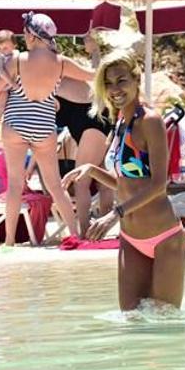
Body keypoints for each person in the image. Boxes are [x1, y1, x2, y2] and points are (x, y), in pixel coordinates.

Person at [62, 52, 185, 310]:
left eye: (121, 80)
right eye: (108, 83)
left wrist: (114, 214)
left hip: (165, 238)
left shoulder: (150, 121)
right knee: (131, 319)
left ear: (136, 79)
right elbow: (124, 182)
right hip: (131, 239)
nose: (114, 89)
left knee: (164, 322)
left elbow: (158, 184)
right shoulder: (120, 121)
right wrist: (91, 170)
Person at [0, 12, 94, 246]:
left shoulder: (17, 60)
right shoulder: (62, 62)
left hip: (15, 125)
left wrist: (10, 87)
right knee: (55, 186)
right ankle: (75, 235)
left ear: (32, 35)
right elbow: (93, 75)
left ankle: (9, 242)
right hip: (44, 126)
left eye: (25, 33)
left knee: (15, 185)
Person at [55, 31, 114, 232]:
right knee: (103, 181)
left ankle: (84, 232)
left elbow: (97, 75)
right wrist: (94, 51)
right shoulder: (63, 77)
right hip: (99, 123)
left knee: (81, 181)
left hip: (92, 125)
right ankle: (101, 230)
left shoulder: (56, 78)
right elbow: (97, 75)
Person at [0, 29, 19, 146]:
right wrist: (12, 83)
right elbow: (1, 72)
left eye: (5, 48)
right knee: (1, 107)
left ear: (14, 45)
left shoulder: (16, 54)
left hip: (10, 85)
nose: (2, 51)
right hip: (2, 85)